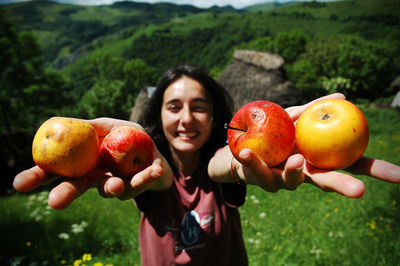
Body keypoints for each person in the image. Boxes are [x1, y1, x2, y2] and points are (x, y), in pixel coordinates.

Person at [13, 65, 400, 265]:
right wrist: (138, 155)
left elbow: (222, 165)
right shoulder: (149, 172)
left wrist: (238, 162)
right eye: (173, 107)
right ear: (158, 116)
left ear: (217, 118)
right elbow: (160, 177)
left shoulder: (222, 159)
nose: (186, 119)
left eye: (199, 107)